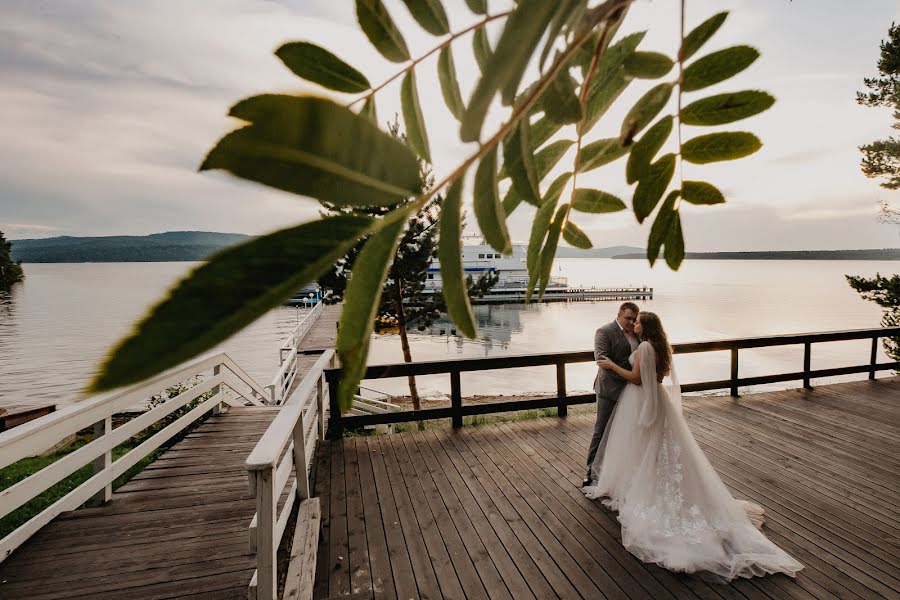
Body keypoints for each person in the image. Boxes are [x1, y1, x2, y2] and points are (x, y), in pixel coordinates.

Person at [584, 312, 804, 581]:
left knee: (645, 448)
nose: (635, 324)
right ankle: (650, 483)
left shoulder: (643, 346)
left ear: (646, 327)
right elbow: (658, 375)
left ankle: (645, 489)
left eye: (638, 321)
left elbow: (636, 378)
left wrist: (610, 366)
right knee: (659, 450)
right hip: (658, 402)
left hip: (640, 400)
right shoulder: (660, 347)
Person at [583, 302, 639, 487]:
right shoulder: (604, 331)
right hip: (610, 389)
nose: (631, 322)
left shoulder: (638, 333)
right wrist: (629, 376)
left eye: (633, 319)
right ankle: (591, 471)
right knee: (602, 430)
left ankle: (617, 471)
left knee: (625, 432)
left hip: (633, 391)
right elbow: (601, 359)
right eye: (628, 318)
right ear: (619, 314)